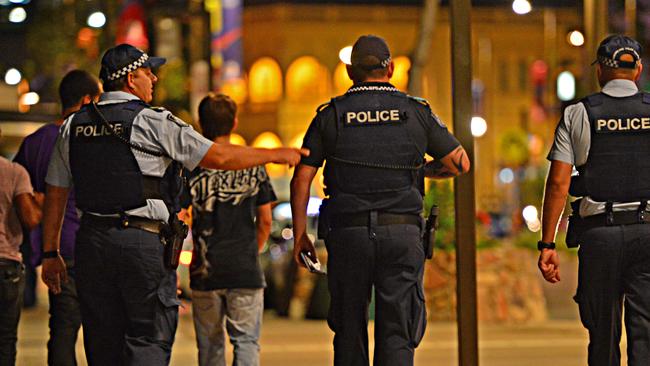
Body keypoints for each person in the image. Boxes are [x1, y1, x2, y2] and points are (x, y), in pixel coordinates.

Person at [41, 43, 306, 366]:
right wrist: (279, 154)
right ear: (130, 79)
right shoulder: (153, 122)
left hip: (92, 245)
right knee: (149, 336)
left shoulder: (73, 127)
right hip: (141, 244)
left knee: (103, 341)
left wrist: (51, 253)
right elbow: (219, 156)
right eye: (147, 72)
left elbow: (56, 192)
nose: (153, 78)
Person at [290, 35, 469, 366]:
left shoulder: (330, 115)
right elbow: (460, 162)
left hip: (348, 235)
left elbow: (302, 178)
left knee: (348, 330)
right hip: (401, 234)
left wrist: (301, 234)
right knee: (398, 332)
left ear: (349, 72)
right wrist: (423, 171)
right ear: (392, 68)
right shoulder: (416, 112)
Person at [538, 34, 650, 366]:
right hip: (648, 233)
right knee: (646, 332)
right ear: (638, 69)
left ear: (600, 70)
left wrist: (547, 244)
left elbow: (559, 183)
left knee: (602, 332)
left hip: (600, 236)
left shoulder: (578, 114)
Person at [13, 69, 101, 366]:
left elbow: (18, 190)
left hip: (56, 248)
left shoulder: (35, 142)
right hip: (95, 244)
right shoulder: (92, 138)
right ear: (88, 100)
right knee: (102, 330)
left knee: (62, 329)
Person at [187, 93, 275, 366]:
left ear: (200, 124)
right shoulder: (252, 163)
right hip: (244, 269)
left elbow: (182, 218)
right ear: (235, 123)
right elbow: (266, 221)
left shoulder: (192, 166)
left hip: (206, 270)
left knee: (210, 345)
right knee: (246, 342)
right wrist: (251, 250)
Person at [0, 127, 43, 365]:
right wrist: (39, 203)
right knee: (5, 340)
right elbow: (31, 218)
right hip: (5, 265)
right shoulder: (15, 173)